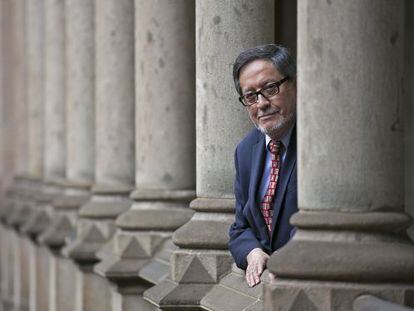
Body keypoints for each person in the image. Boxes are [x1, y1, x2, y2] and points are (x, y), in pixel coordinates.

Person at [228, 44, 297, 287]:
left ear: (295, 85)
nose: (261, 103)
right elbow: (239, 228)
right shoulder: (246, 151)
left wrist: (291, 260)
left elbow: (326, 218)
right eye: (250, 96)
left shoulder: (318, 143)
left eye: (270, 88)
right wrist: (252, 252)